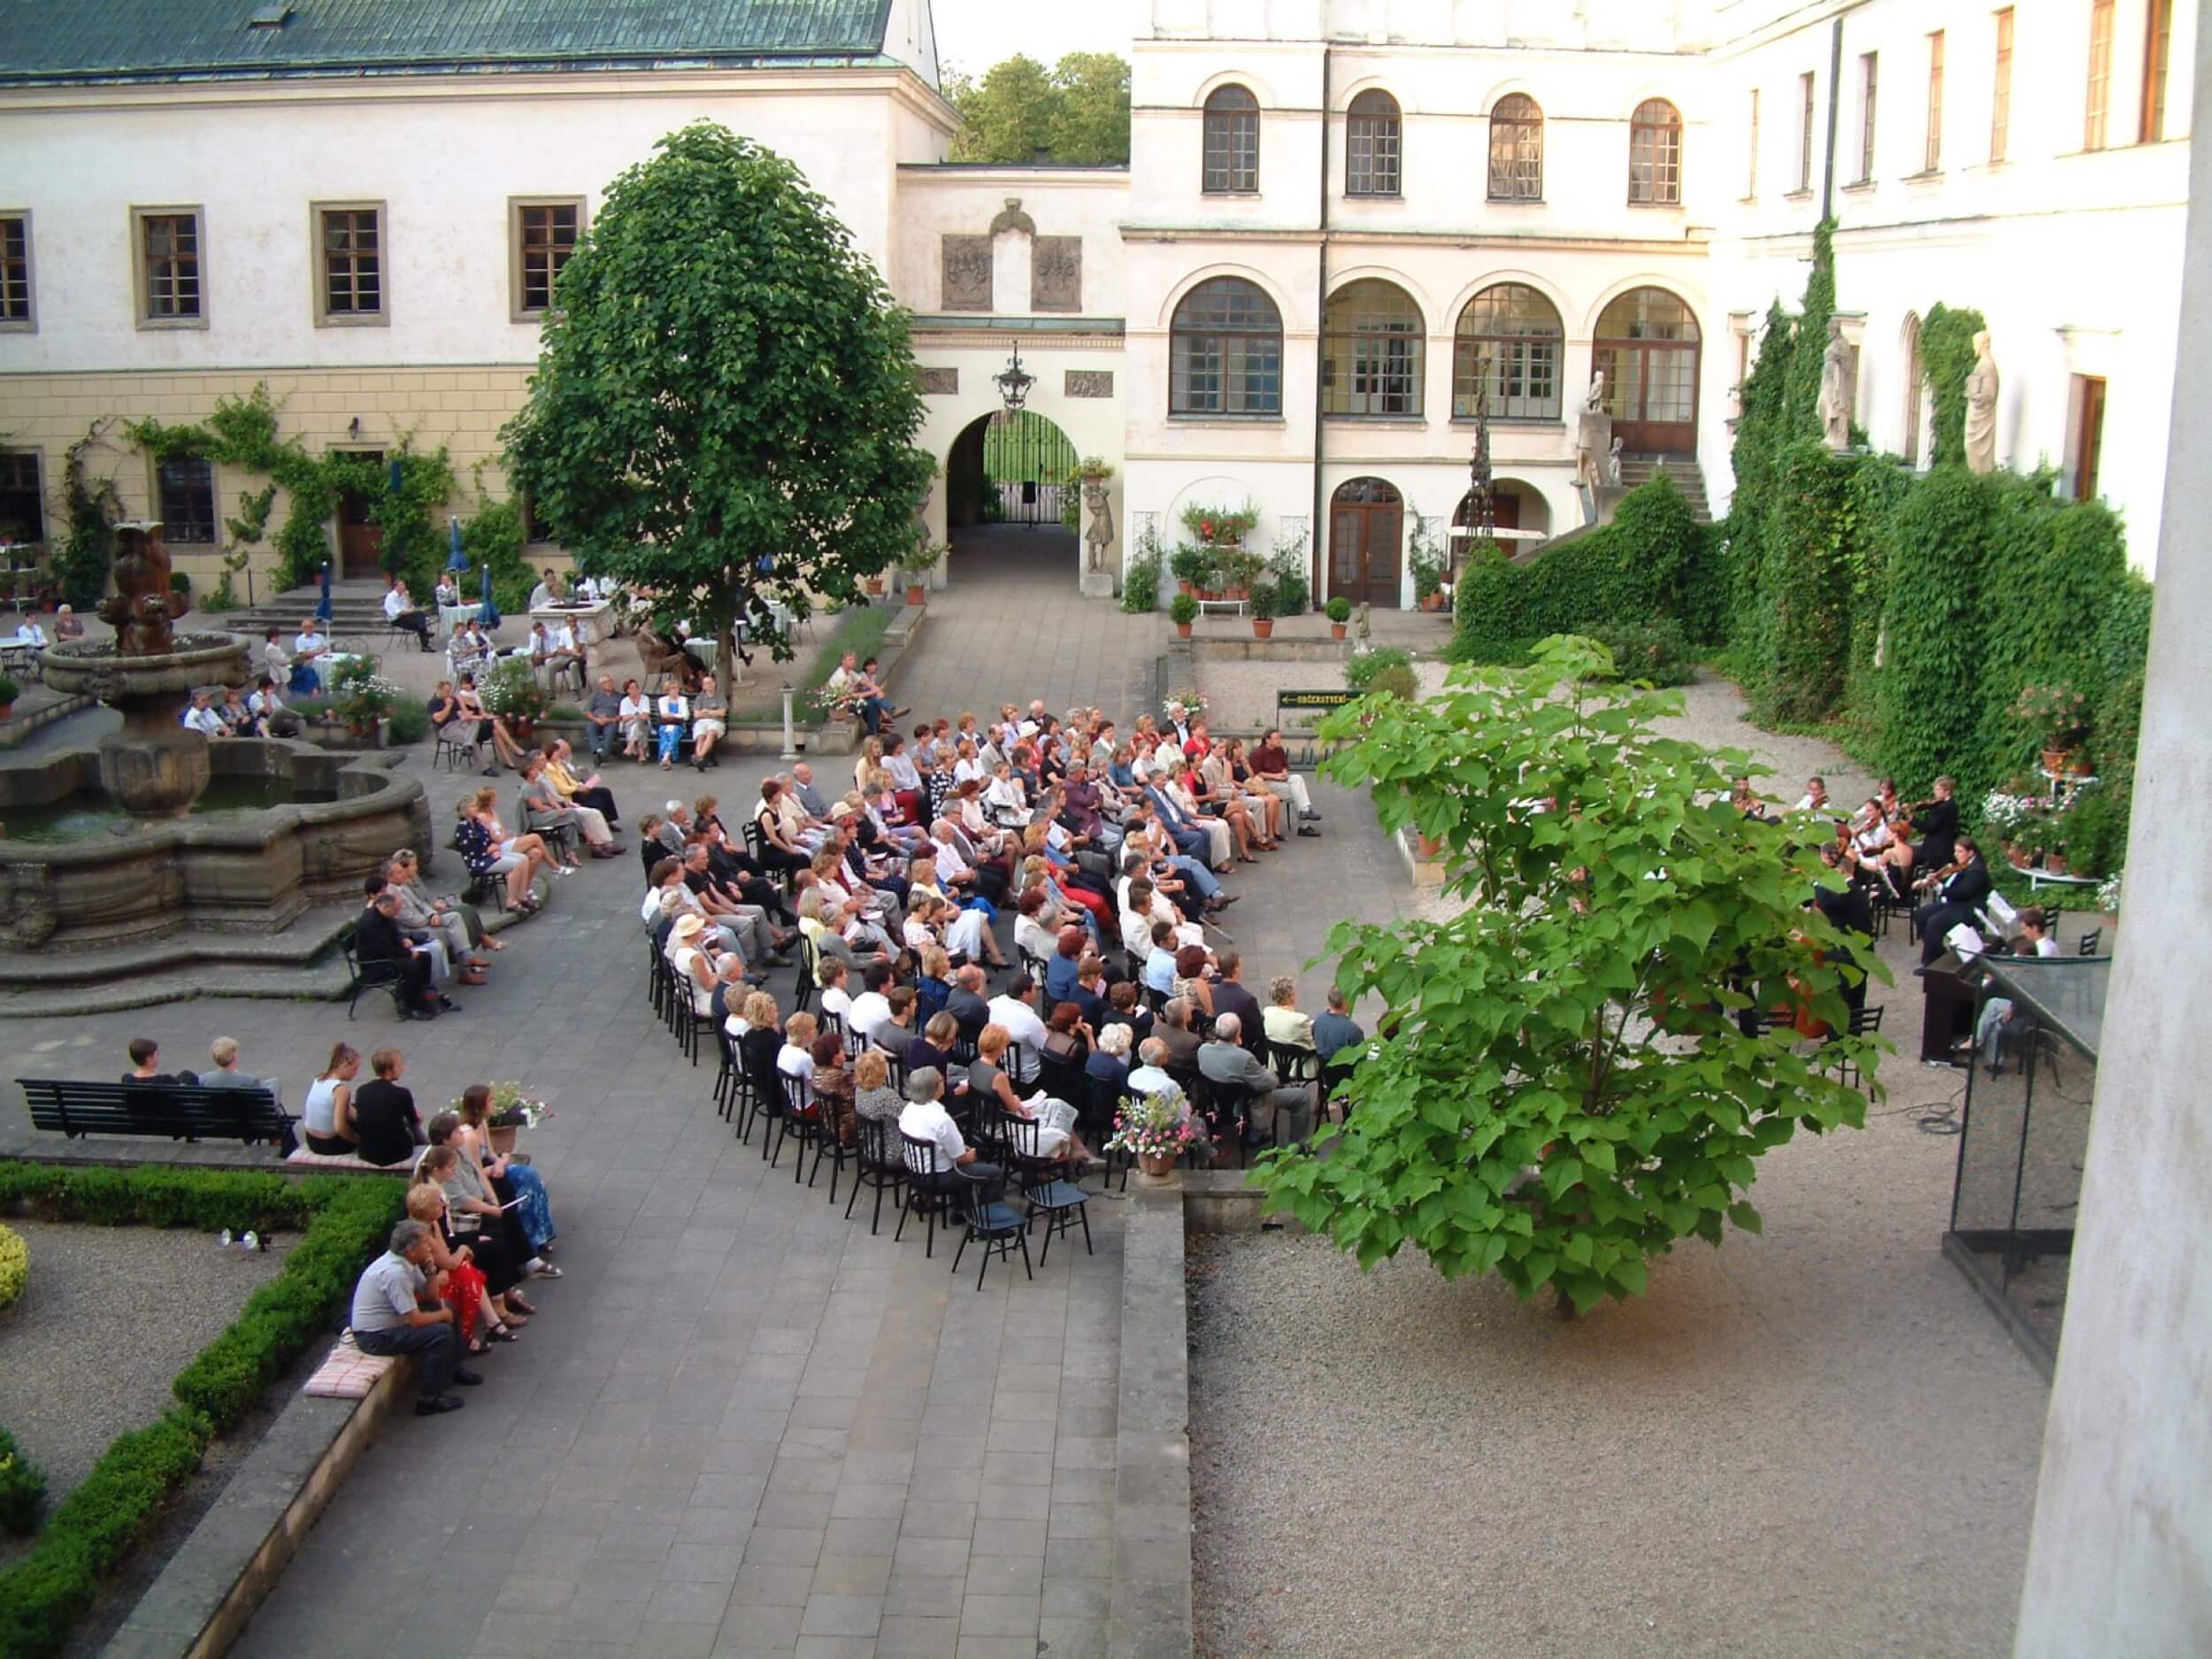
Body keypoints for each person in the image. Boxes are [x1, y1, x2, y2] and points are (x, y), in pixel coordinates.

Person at [349, 1220, 479, 1417]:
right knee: (440, 1333)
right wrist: (442, 1315)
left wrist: (431, 1271)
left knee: (447, 1306)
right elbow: (415, 1321)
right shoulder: (395, 1274)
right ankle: (429, 1400)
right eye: (425, 1243)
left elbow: (432, 1296)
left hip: (390, 1327)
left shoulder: (407, 1263)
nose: (430, 1247)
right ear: (411, 1250)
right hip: (375, 1337)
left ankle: (452, 1368)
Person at [1200, 1012, 1315, 1147]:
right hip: (1248, 1103)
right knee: (1301, 1097)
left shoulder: (1203, 1050)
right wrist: (1268, 1072)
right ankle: (1298, 1145)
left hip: (1220, 1102)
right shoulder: (1244, 1058)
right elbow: (1270, 1083)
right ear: (1238, 1033)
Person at [898, 1067, 1002, 1213]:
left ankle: (962, 1212)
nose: (944, 1082)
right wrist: (970, 1155)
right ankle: (987, 1221)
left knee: (959, 1166)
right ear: (934, 1088)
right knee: (994, 1173)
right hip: (940, 1176)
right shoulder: (941, 1120)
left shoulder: (908, 1109)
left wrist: (961, 1150)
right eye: (941, 1080)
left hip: (915, 1172)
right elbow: (961, 1160)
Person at [1970, 907, 2061, 1071]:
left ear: (2034, 928)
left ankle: (1976, 1042)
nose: (2023, 932)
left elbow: (2030, 979)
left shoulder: (2042, 951)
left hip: (2038, 1003)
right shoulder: (2047, 944)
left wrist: (2001, 979)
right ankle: (1991, 1057)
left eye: (2025, 928)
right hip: (2040, 994)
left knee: (1992, 1004)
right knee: (1995, 1011)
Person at [357, 887, 448, 1019]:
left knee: (425, 956)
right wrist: (407, 953)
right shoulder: (371, 923)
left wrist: (403, 939)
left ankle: (424, 992)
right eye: (395, 910)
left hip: (388, 955)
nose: (397, 913)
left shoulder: (386, 916)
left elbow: (395, 933)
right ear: (386, 908)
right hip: (376, 963)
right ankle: (413, 1006)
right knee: (412, 966)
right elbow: (385, 948)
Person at [1914, 833, 1993, 966]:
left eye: (1960, 851)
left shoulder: (1976, 870)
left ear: (1971, 852)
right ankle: (1938, 952)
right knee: (1920, 914)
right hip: (1955, 902)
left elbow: (1962, 892)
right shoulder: (1966, 864)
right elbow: (1953, 881)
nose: (1956, 855)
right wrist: (1937, 878)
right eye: (1955, 851)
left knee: (1934, 923)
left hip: (1968, 907)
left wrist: (1939, 887)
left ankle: (1931, 962)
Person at [350, 1048, 427, 1167]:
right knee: (413, 1126)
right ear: (388, 1070)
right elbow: (414, 1121)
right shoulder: (402, 1093)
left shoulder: (361, 1091)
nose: (402, 1068)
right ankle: (427, 1147)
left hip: (367, 1153)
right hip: (397, 1153)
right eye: (399, 1065)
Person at [302, 1042, 362, 1155]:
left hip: (311, 1140)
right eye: (355, 1069)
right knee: (361, 1123)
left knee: (351, 1108)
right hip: (330, 1145)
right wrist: (357, 1140)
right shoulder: (341, 1090)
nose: (356, 1073)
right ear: (345, 1065)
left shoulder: (319, 1079)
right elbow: (340, 1128)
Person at [987, 974, 1048, 1055]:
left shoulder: (992, 1004)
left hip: (999, 1059)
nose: (1036, 992)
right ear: (1025, 994)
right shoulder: (1031, 1021)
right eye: (1035, 989)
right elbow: (1044, 1047)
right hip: (1031, 1066)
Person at [1261, 975, 1315, 1052]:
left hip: (1275, 1061)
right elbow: (1310, 1043)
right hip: (1298, 1062)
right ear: (1291, 996)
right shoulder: (1301, 1020)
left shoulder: (1267, 1012)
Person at [1311, 985, 1364, 1061]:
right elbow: (1360, 1058)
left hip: (1322, 1070)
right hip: (1345, 1071)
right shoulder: (1353, 1030)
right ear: (1345, 1003)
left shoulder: (1319, 1020)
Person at [385, 575, 434, 651]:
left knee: (420, 615)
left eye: (404, 584)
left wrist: (407, 597)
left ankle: (425, 642)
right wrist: (411, 611)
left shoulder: (403, 595)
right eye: (401, 585)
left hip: (405, 615)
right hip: (396, 619)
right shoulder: (391, 597)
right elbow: (399, 613)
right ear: (395, 587)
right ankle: (425, 644)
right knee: (419, 624)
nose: (403, 586)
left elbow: (410, 607)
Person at [690, 674, 727, 771]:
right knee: (700, 736)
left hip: (717, 722)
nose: (710, 685)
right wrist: (713, 713)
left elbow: (722, 713)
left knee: (711, 733)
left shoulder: (720, 696)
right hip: (702, 722)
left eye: (711, 682)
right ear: (703, 686)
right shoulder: (700, 697)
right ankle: (700, 759)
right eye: (707, 683)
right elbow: (697, 715)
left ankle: (698, 757)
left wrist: (707, 711)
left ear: (714, 684)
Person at [585, 673, 626, 762]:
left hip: (611, 721)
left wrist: (610, 719)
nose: (609, 684)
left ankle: (603, 755)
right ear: (602, 685)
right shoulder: (595, 695)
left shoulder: (619, 696)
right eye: (606, 682)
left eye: (610, 681)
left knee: (610, 731)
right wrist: (596, 719)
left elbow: (622, 715)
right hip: (596, 720)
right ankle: (598, 750)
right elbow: (587, 712)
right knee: (590, 727)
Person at [654, 683, 691, 769]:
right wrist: (677, 715)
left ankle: (665, 757)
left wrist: (671, 715)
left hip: (678, 725)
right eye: (672, 689)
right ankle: (668, 757)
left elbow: (685, 716)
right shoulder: (662, 700)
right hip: (665, 725)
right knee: (665, 735)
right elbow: (664, 715)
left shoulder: (683, 700)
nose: (675, 691)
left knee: (673, 733)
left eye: (676, 688)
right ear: (668, 691)